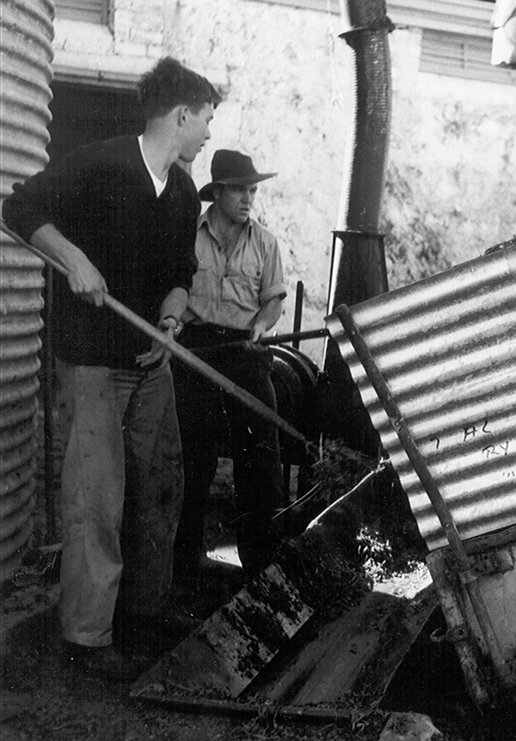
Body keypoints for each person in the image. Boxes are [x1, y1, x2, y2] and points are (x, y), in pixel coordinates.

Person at [1, 57, 221, 680]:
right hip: (94, 362)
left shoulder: (182, 192)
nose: (208, 133)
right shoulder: (101, 164)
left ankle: (143, 613)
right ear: (182, 115)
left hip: (151, 362)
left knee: (160, 485)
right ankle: (87, 638)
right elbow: (18, 208)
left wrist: (170, 322)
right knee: (97, 500)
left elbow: (181, 273)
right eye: (206, 119)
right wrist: (73, 258)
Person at [172, 149, 287, 587]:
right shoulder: (188, 235)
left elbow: (273, 301)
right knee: (192, 459)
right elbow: (173, 286)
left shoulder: (265, 243)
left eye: (252, 191)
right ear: (217, 192)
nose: (248, 199)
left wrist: (261, 324)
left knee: (261, 460)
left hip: (245, 352)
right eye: (239, 190)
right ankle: (184, 565)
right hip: (196, 352)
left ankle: (260, 568)